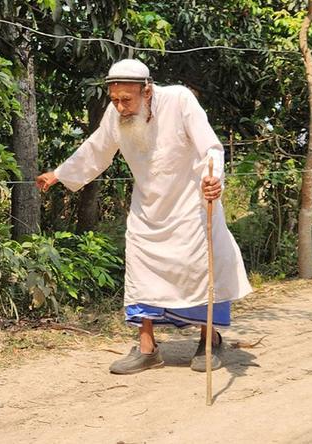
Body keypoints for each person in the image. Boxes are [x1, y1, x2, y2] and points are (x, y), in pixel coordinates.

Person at [36, 59, 252, 375]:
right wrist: (59, 174)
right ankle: (148, 349)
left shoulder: (179, 100)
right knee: (141, 273)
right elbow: (97, 148)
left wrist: (213, 177)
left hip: (191, 205)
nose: (120, 107)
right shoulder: (116, 115)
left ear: (147, 91)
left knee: (200, 271)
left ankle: (209, 341)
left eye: (127, 99)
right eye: (114, 99)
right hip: (147, 210)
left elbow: (210, 147)